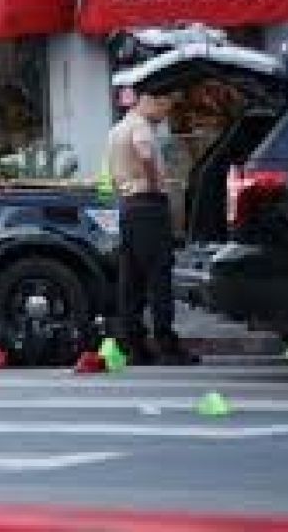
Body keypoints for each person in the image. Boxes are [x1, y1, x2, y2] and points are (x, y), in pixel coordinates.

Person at [108, 87, 198, 366]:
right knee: (158, 277)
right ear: (149, 102)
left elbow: (112, 174)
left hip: (128, 207)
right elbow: (145, 153)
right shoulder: (141, 127)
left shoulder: (116, 130)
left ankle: (133, 344)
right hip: (148, 205)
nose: (165, 113)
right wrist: (155, 183)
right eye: (164, 106)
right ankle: (166, 344)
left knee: (131, 279)